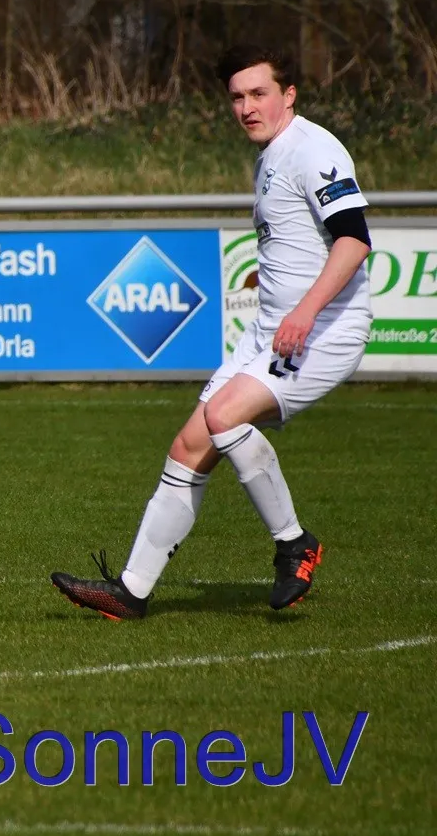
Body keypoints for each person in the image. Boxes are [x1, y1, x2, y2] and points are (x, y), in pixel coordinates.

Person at [52, 43, 372, 620]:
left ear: (289, 95)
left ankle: (294, 543)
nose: (247, 107)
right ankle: (131, 592)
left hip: (324, 329)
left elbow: (354, 239)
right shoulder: (271, 155)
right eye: (237, 97)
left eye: (259, 93)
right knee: (188, 447)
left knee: (224, 417)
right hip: (269, 331)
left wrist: (304, 313)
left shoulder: (314, 150)